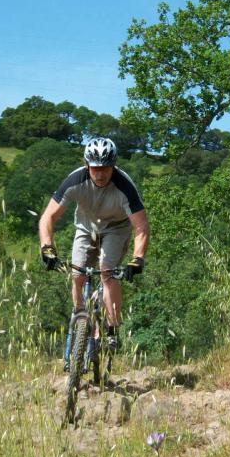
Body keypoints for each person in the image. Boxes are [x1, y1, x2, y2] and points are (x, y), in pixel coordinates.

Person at [38, 137, 150, 354]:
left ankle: (111, 329)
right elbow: (47, 217)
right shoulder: (75, 180)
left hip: (117, 228)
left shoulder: (124, 186)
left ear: (113, 166)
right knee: (77, 274)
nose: (100, 174)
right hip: (85, 228)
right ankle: (81, 318)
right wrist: (47, 248)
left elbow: (142, 227)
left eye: (105, 169)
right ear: (87, 164)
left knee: (107, 271)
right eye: (95, 168)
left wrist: (137, 259)